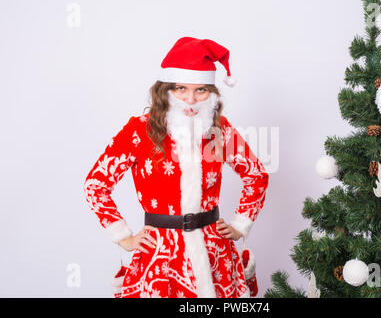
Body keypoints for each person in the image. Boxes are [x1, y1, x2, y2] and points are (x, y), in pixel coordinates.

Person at [83, 37, 269, 298]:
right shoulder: (140, 130)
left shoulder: (219, 129)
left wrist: (240, 224)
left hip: (214, 252)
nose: (190, 99)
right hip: (160, 256)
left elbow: (256, 175)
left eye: (201, 90)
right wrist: (123, 235)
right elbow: (96, 185)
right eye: (181, 88)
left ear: (212, 93)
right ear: (165, 90)